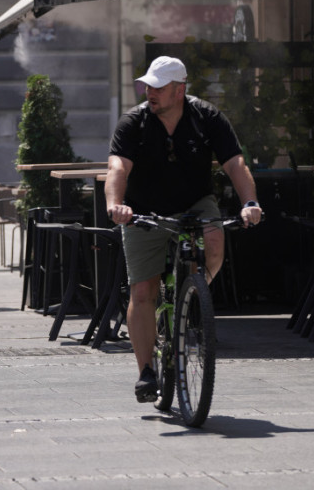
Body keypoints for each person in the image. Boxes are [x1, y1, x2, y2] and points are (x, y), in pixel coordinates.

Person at [105, 56, 263, 403]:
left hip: (194, 202)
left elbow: (235, 163)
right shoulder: (135, 122)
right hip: (144, 210)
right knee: (143, 292)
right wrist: (116, 204)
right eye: (147, 85)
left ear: (180, 90)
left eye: (158, 87)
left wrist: (249, 202)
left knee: (216, 239)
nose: (150, 92)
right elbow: (117, 166)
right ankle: (146, 371)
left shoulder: (207, 118)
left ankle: (193, 294)